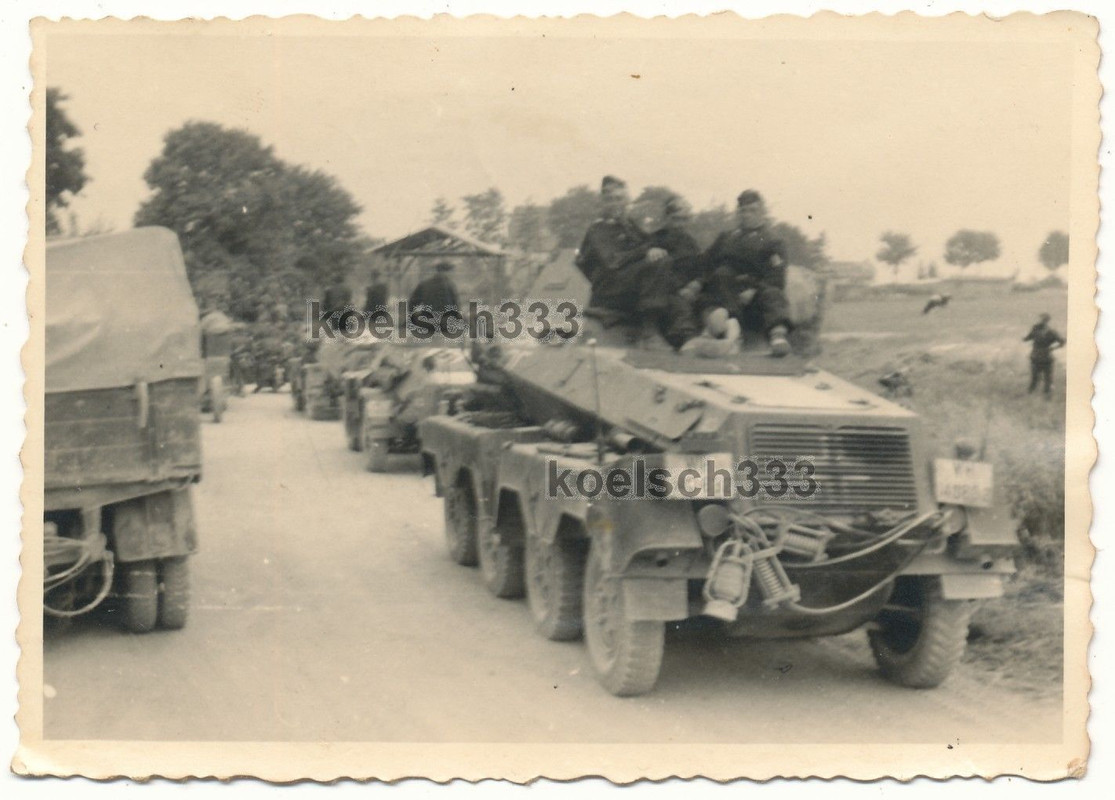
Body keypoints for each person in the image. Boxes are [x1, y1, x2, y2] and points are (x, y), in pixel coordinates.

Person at [574, 176, 686, 345]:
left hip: (627, 284)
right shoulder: (598, 229)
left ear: (626, 201)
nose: (615, 204)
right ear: (603, 202)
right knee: (657, 263)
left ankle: (685, 336)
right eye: (610, 199)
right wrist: (646, 251)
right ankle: (649, 331)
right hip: (608, 289)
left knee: (669, 269)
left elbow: (650, 242)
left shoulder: (630, 226)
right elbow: (613, 261)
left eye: (619, 199)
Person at [697, 190, 793, 357]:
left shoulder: (772, 241)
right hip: (725, 294)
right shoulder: (726, 237)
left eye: (752, 210)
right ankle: (731, 332)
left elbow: (776, 276)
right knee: (721, 274)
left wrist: (754, 289)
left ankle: (777, 336)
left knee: (773, 293)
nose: (747, 215)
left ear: (762, 212)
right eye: (743, 211)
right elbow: (706, 262)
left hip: (755, 298)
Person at [408, 261, 461, 331]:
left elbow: (412, 303)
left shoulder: (424, 285)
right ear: (444, 272)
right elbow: (456, 306)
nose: (452, 274)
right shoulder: (449, 286)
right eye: (450, 271)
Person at [1024, 312, 1065, 398]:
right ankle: (1046, 397)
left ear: (1043, 320)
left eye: (1040, 319)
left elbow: (1026, 339)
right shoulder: (1051, 331)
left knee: (1035, 379)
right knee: (1047, 379)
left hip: (1036, 357)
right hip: (1047, 357)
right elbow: (1062, 342)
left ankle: (1031, 395)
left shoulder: (1036, 330)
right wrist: (1053, 348)